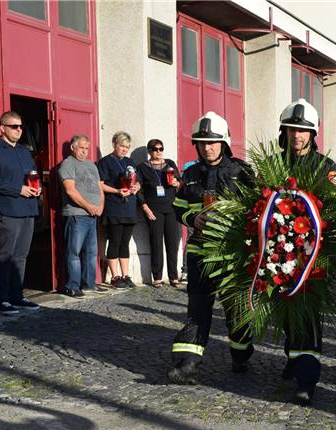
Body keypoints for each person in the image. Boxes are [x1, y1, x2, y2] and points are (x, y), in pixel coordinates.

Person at [167, 112, 255, 388]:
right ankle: (188, 364)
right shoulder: (191, 174)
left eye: (213, 142)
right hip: (200, 251)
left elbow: (257, 212)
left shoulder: (243, 172)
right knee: (198, 307)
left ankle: (241, 355)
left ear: (224, 143)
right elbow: (179, 206)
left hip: (232, 253)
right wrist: (192, 219)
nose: (207, 147)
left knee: (236, 312)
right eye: (202, 142)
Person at [275, 98, 336, 404]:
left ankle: (307, 378)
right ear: (284, 132)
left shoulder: (326, 168)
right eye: (292, 129)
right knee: (287, 311)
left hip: (313, 254)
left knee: (311, 315)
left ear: (313, 134)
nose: (297, 135)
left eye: (303, 130)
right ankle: (293, 357)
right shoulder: (273, 164)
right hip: (279, 254)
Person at [0, 111, 41, 315]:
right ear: (2, 128)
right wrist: (18, 189)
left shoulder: (25, 152)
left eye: (20, 127)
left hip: (27, 209)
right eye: (14, 126)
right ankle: (2, 298)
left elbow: (33, 174)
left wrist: (37, 187)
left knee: (21, 256)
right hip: (7, 209)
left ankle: (17, 295)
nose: (18, 130)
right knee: (4, 255)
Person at [58, 134, 104, 298]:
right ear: (72, 148)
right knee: (74, 251)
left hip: (93, 214)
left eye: (87, 149)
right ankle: (72, 285)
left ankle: (89, 283)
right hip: (77, 214)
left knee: (91, 252)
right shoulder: (67, 164)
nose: (85, 152)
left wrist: (100, 206)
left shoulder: (91, 164)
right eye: (81, 148)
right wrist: (88, 206)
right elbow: (70, 190)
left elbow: (100, 187)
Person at [96, 131, 141, 289]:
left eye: (127, 147)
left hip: (129, 207)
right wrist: (116, 191)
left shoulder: (130, 161)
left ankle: (125, 275)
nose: (124, 149)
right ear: (114, 144)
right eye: (122, 146)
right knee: (114, 241)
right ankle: (114, 277)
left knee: (125, 242)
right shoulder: (105, 162)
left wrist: (136, 187)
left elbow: (138, 181)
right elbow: (100, 184)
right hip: (114, 206)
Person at [136, 138, 181, 288]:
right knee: (156, 243)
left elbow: (180, 181)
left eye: (161, 149)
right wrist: (145, 207)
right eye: (155, 149)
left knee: (172, 243)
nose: (159, 152)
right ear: (149, 151)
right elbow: (139, 189)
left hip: (172, 208)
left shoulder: (170, 164)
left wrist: (177, 183)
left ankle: (173, 276)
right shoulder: (142, 167)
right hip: (154, 209)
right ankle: (157, 277)